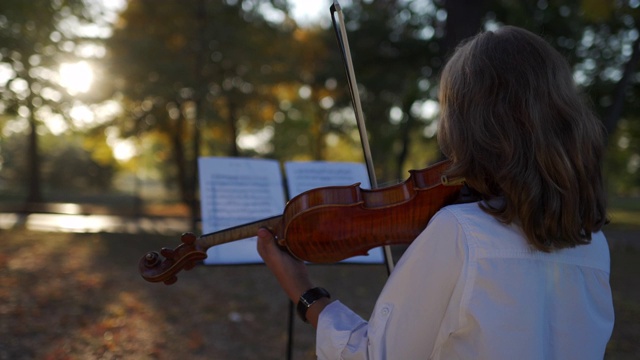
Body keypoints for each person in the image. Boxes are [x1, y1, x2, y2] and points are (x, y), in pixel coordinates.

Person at [257, 25, 614, 359]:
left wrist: (303, 291)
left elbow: (374, 355)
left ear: (469, 125)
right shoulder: (592, 243)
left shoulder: (461, 232)